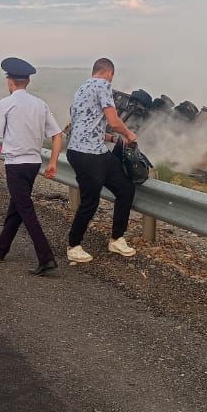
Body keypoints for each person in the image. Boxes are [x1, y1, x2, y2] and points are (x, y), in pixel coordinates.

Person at [0, 57, 63, 276]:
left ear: (10, 81)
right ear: (27, 80)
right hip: (33, 163)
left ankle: (46, 258)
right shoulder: (40, 104)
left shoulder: (6, 104)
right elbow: (57, 135)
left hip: (15, 165)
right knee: (17, 207)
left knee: (25, 209)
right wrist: (53, 161)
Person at [65, 57, 140, 264]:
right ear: (110, 73)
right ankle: (73, 245)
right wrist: (128, 134)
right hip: (89, 154)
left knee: (125, 188)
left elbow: (86, 124)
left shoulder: (81, 89)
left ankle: (117, 239)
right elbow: (114, 121)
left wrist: (111, 138)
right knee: (91, 200)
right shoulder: (103, 85)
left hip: (85, 150)